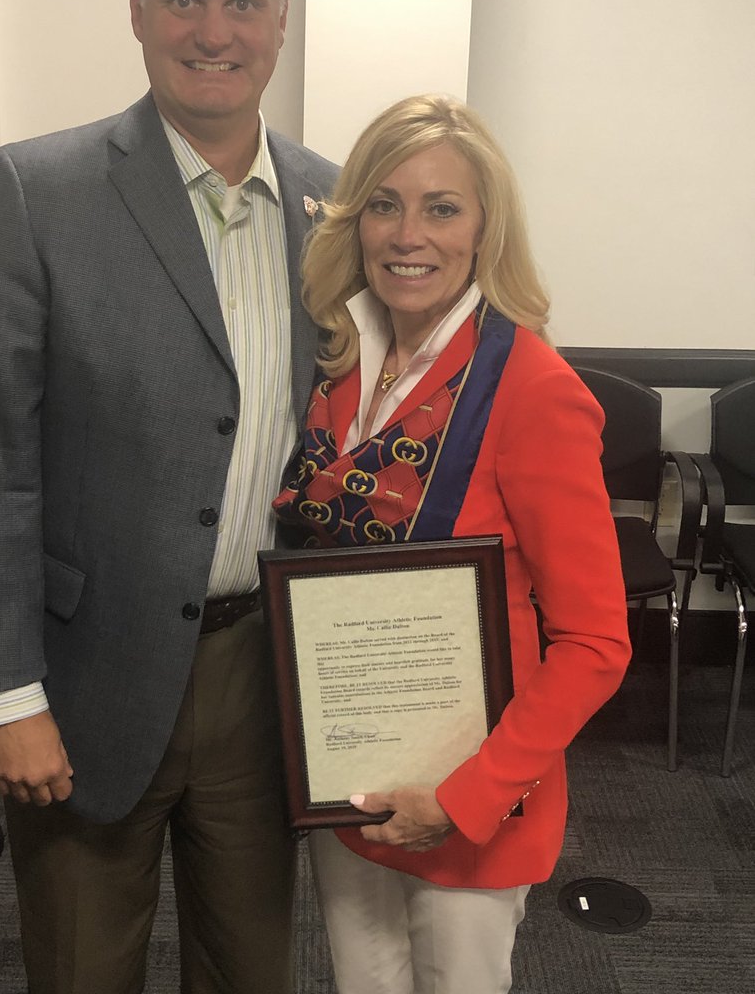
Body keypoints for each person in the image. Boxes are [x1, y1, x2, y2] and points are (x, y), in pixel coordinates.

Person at [0, 0, 338, 994]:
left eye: (243, 2)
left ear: (283, 20)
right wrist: (5, 695)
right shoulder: (34, 189)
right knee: (81, 968)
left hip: (262, 678)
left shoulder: (332, 203)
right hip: (82, 679)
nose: (215, 31)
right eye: (185, 0)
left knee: (252, 966)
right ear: (138, 11)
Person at [273, 94, 632, 994]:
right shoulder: (337, 363)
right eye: (385, 203)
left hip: (473, 803)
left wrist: (465, 796)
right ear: (354, 222)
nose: (410, 233)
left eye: (443, 207)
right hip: (351, 776)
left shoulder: (531, 386)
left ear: (483, 230)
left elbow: (596, 644)